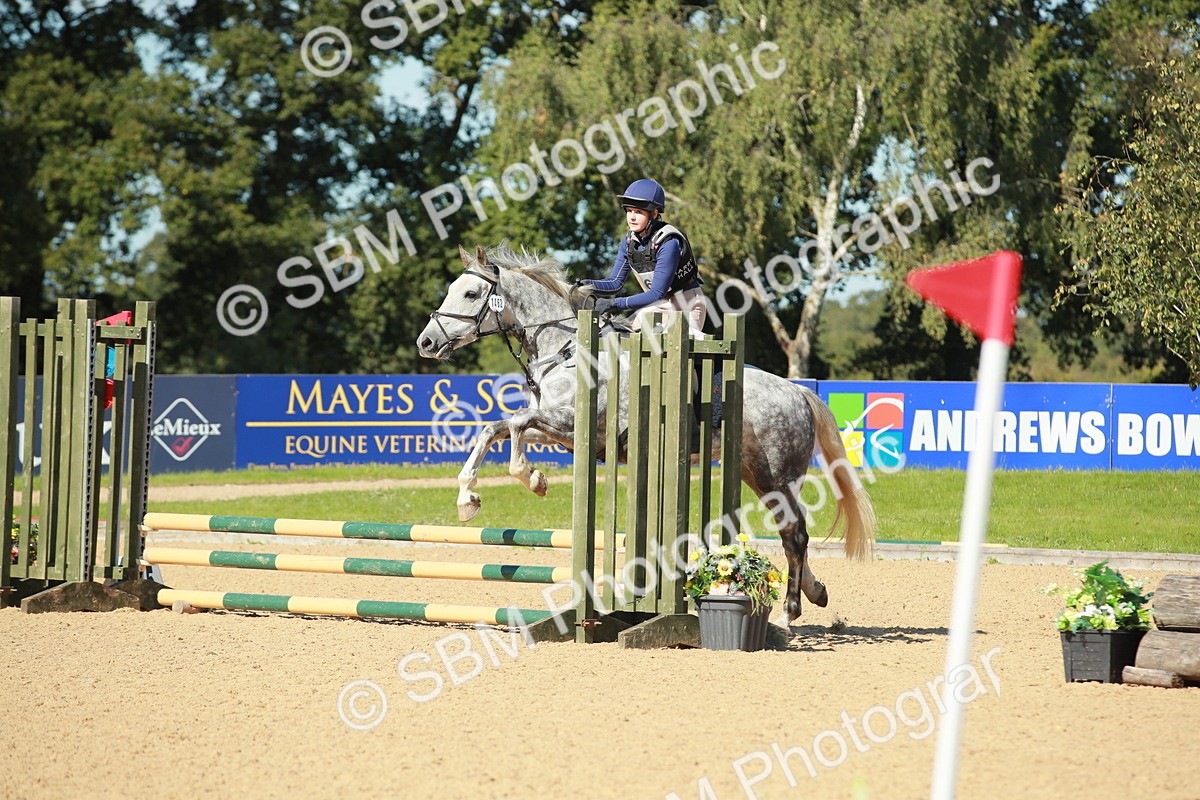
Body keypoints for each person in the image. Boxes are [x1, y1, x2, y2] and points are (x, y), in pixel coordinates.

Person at [580, 179, 707, 333]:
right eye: (629, 211)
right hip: (659, 306)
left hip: (687, 305)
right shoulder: (628, 242)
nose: (631, 217)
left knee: (662, 346)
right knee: (615, 335)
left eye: (638, 212)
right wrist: (584, 285)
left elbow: (656, 293)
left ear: (654, 213)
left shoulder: (669, 243)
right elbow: (614, 283)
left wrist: (614, 304)